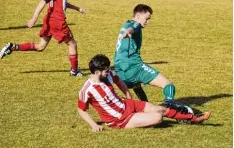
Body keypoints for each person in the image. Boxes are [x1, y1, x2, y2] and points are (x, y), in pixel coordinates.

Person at [78, 54, 211, 131]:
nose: (109, 71)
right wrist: (94, 125)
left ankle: (194, 119)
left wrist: (128, 96)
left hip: (127, 104)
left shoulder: (108, 75)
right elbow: (81, 110)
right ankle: (143, 118)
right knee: (158, 117)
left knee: (161, 109)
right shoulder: (87, 90)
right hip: (119, 120)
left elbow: (120, 82)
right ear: (96, 72)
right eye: (106, 70)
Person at [0, 0, 86, 77]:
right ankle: (74, 71)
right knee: (72, 44)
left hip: (50, 21)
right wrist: (34, 18)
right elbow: (43, 1)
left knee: (40, 47)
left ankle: (12, 47)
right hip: (57, 22)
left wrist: (77, 8)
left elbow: (62, 2)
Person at [113, 4, 178, 105]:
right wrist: (130, 31)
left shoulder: (125, 25)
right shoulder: (134, 25)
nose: (148, 22)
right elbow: (135, 26)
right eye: (147, 19)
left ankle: (145, 106)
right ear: (138, 16)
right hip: (134, 67)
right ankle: (170, 105)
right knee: (169, 86)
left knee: (136, 85)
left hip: (119, 71)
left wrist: (128, 30)